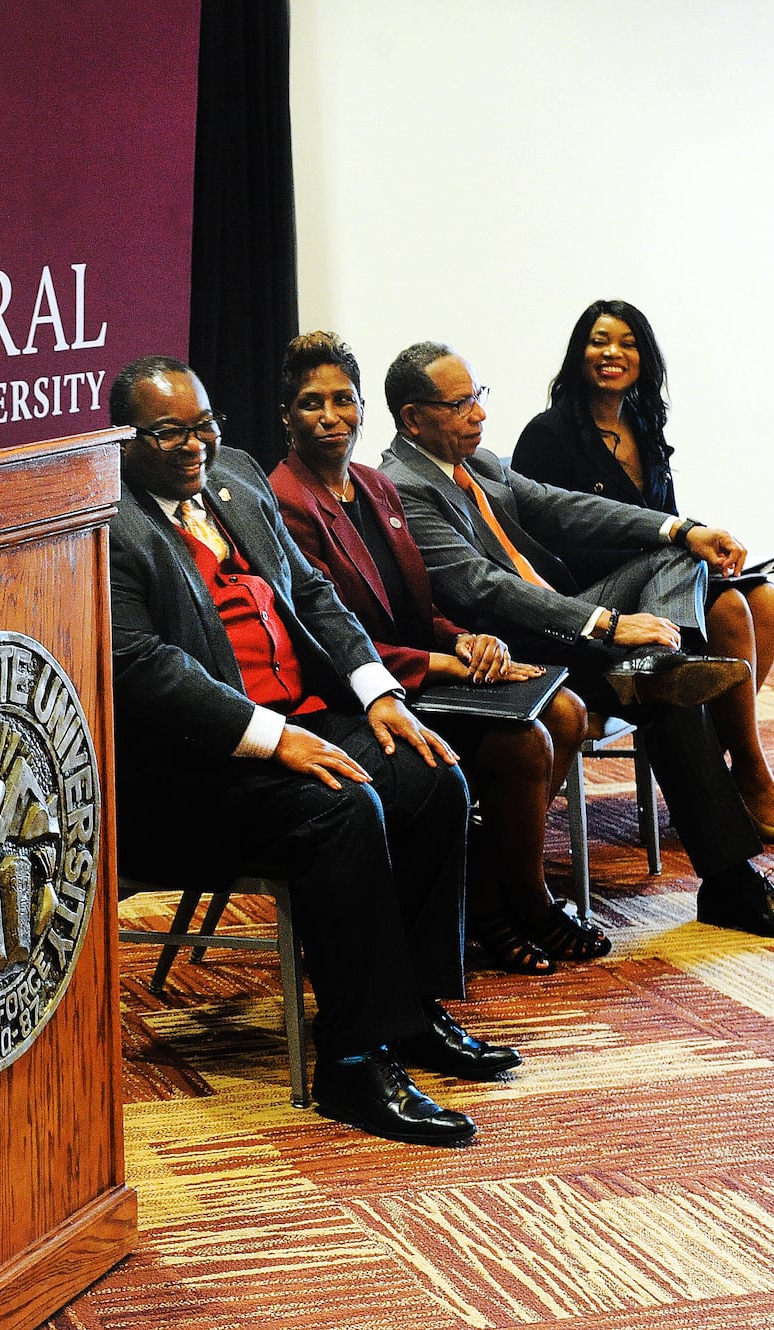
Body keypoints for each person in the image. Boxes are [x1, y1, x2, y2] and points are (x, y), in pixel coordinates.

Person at [109, 354, 521, 1151]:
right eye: (169, 433)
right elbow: (146, 671)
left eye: (204, 426)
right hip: (197, 771)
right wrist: (276, 737)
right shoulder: (113, 523)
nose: (194, 446)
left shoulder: (233, 478)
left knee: (432, 772)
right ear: (127, 440)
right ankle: (353, 1060)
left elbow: (314, 595)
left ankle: (412, 1013)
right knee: (342, 808)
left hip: (299, 717)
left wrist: (381, 696)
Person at [377, 341, 774, 952]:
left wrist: (680, 526)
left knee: (677, 554)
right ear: (414, 418)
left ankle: (656, 668)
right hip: (515, 651)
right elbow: (482, 587)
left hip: (570, 630)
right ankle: (730, 881)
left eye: (478, 396)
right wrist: (604, 624)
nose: (480, 414)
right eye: (461, 403)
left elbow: (558, 507)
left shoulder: (480, 463)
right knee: (670, 700)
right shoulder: (403, 485)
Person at [269, 332, 600, 975]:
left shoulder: (373, 485)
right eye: (313, 403)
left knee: (564, 711)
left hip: (425, 670)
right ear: (287, 416)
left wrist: (461, 638)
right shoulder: (284, 501)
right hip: (364, 695)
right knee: (526, 740)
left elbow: (416, 602)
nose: (332, 416)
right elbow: (324, 634)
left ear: (366, 408)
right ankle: (517, 903)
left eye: (344, 400)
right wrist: (440, 662)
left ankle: (495, 892)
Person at [513, 300, 774, 845]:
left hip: (656, 584)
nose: (612, 353)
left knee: (765, 602)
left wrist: (693, 549)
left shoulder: (645, 423)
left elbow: (660, 516)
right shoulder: (548, 434)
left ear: (644, 358)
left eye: (627, 343)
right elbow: (546, 542)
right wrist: (677, 542)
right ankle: (744, 774)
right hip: (587, 597)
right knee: (721, 602)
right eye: (599, 341)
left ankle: (710, 770)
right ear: (579, 353)